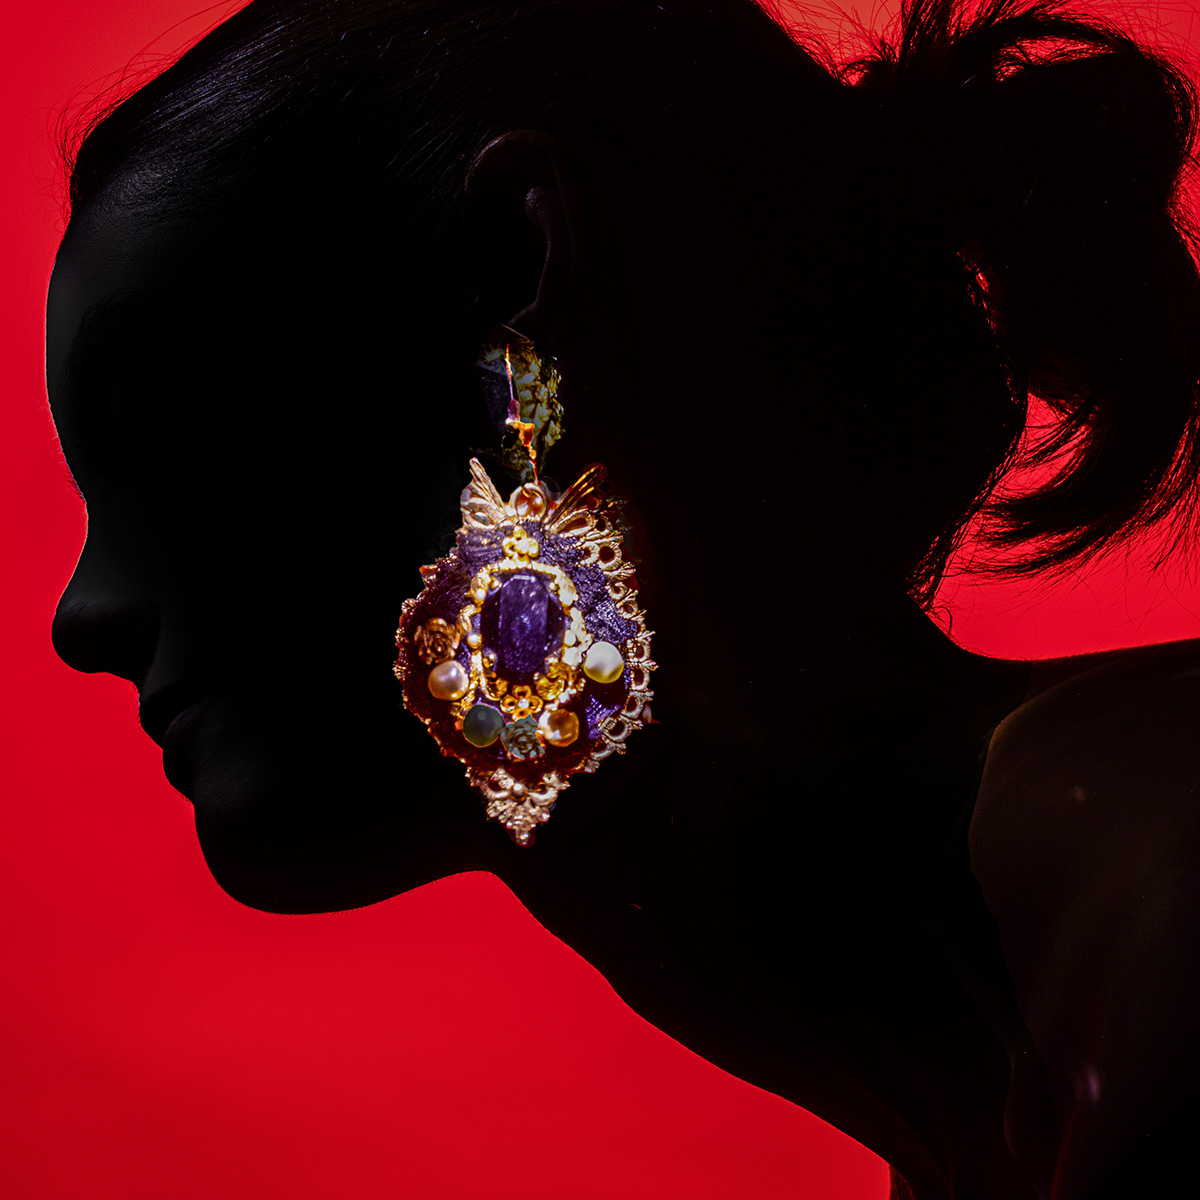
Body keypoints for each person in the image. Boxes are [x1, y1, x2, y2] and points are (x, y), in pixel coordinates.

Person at [44, 0, 1200, 1194]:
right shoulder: (1053, 1033)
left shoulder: (1166, 898)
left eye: (156, 428)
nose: (83, 619)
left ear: (515, 280)